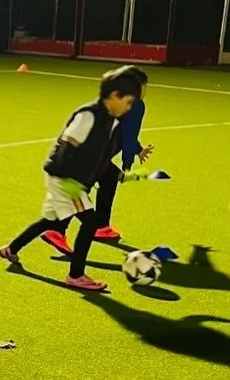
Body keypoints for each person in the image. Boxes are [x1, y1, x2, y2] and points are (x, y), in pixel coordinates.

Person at [0, 68, 143, 291]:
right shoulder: (89, 115)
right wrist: (68, 179)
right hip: (65, 179)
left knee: (51, 220)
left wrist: (115, 174)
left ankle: (11, 249)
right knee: (91, 222)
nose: (130, 106)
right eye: (128, 101)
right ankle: (76, 275)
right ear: (114, 96)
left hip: (71, 180)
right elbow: (66, 146)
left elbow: (99, 156)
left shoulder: (110, 121)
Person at [41, 65, 152, 254]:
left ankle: (100, 226)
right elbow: (128, 134)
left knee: (107, 180)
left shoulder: (117, 101)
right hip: (96, 156)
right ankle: (57, 230)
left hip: (95, 153)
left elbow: (125, 132)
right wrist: (127, 162)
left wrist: (138, 150)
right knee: (81, 189)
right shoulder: (136, 105)